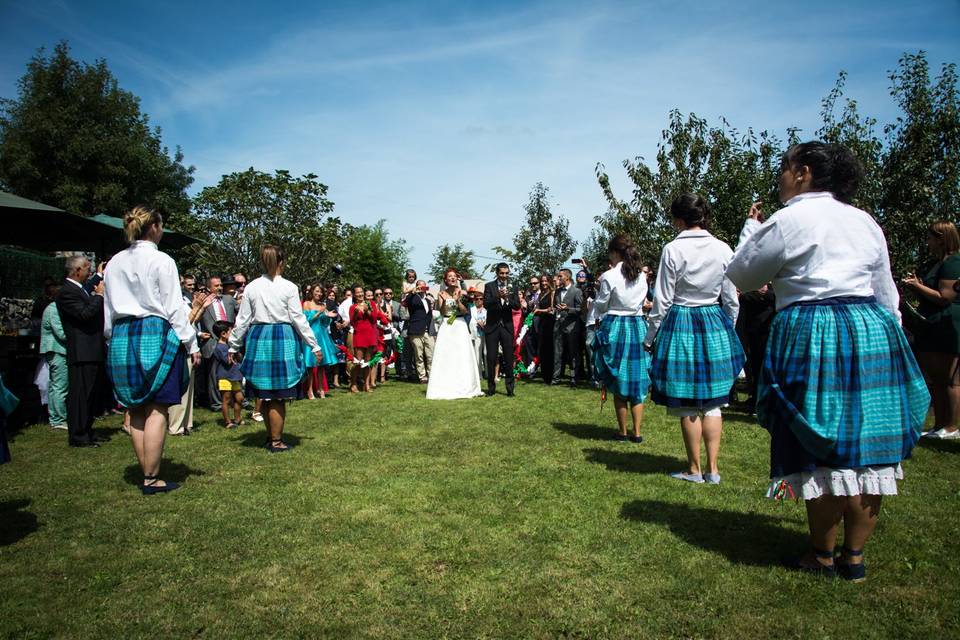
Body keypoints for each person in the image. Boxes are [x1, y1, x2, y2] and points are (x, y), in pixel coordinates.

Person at [726, 141, 929, 581]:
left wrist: (751, 228)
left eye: (784, 169)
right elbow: (886, 291)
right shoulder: (864, 221)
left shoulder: (790, 219)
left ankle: (820, 554)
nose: (780, 177)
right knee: (868, 446)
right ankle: (853, 557)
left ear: (803, 172)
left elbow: (743, 274)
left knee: (822, 441)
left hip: (814, 330)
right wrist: (890, 339)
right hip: (872, 327)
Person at [645, 194, 744, 485]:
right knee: (713, 402)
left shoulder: (673, 249)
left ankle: (694, 468)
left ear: (678, 219)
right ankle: (713, 470)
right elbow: (731, 299)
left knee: (689, 402)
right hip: (714, 321)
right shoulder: (723, 248)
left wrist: (650, 336)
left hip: (683, 321)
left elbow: (662, 299)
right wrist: (729, 329)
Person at [103, 206, 199, 494]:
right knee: (157, 406)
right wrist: (191, 344)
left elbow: (107, 310)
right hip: (154, 332)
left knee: (135, 408)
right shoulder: (162, 260)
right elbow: (173, 308)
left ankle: (147, 470)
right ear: (154, 227)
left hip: (121, 335)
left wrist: (110, 340)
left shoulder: (114, 263)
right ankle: (151, 477)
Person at [229, 245, 321, 452]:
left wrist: (233, 346)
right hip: (282, 338)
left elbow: (242, 320)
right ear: (281, 262)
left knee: (265, 393)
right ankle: (276, 440)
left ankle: (272, 437)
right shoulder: (289, 287)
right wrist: (314, 345)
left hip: (259, 338)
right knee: (278, 395)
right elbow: (298, 319)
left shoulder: (252, 287)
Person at [901, 221, 960, 440]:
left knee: (948, 379)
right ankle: (940, 425)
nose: (928, 243)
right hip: (933, 323)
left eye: (931, 238)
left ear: (941, 238)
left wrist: (917, 286)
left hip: (946, 324)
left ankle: (951, 426)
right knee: (937, 379)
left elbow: (945, 297)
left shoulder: (953, 263)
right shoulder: (939, 262)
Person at [593, 236, 650, 443]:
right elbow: (642, 301)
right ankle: (637, 432)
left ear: (614, 252)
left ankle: (623, 432)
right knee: (636, 379)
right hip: (637, 326)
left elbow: (601, 306)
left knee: (617, 379)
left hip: (616, 326)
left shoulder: (609, 275)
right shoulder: (641, 275)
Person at [56, 255, 107, 448]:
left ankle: (87, 430)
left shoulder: (79, 290)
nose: (89, 271)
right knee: (81, 395)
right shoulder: (66, 292)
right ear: (77, 270)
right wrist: (99, 296)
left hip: (92, 350)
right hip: (81, 351)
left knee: (92, 394)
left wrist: (100, 277)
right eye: (87, 268)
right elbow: (84, 314)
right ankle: (78, 434)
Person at [427, 269, 483, 400]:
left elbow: (465, 312)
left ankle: (465, 386)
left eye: (454, 276)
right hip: (447, 324)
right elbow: (441, 312)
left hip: (460, 324)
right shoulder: (441, 293)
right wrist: (443, 301)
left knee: (462, 354)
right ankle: (445, 386)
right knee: (446, 354)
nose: (452, 278)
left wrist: (457, 301)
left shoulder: (462, 292)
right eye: (449, 277)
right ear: (445, 280)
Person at [483, 263, 521, 396]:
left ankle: (510, 389)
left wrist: (507, 298)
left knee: (509, 358)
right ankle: (491, 389)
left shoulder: (513, 287)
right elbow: (486, 304)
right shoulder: (489, 286)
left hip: (507, 327)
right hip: (492, 326)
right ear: (497, 273)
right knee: (491, 358)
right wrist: (498, 296)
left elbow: (517, 306)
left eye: (506, 273)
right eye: (502, 273)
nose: (504, 276)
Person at [199, 275, 236, 411]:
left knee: (233, 371)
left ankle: (236, 400)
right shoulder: (203, 302)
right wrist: (199, 334)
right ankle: (216, 403)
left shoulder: (229, 300)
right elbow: (193, 319)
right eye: (216, 286)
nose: (220, 287)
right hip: (212, 342)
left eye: (220, 285)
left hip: (230, 342)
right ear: (209, 288)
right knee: (214, 375)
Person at [303, 284, 339, 398]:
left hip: (322, 336)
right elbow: (306, 321)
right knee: (311, 365)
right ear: (312, 291)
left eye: (320, 292)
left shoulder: (322, 305)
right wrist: (319, 313)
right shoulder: (307, 304)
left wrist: (327, 316)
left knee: (321, 365)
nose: (319, 294)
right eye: (317, 291)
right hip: (310, 336)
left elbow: (324, 323)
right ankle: (309, 390)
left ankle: (321, 389)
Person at [39, 285, 68, 430]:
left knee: (55, 386)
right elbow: (61, 333)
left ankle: (55, 417)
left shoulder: (54, 308)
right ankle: (58, 419)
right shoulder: (54, 310)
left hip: (57, 351)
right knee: (59, 386)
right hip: (57, 351)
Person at [553, 268, 585, 385]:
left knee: (573, 353)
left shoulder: (576, 291)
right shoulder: (557, 292)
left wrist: (568, 309)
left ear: (567, 277)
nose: (558, 278)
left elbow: (581, 309)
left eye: (560, 276)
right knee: (557, 353)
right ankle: (556, 378)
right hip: (558, 326)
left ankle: (574, 378)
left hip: (572, 327)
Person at [212, 320, 244, 428]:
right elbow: (228, 361)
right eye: (231, 332)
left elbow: (239, 358)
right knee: (226, 398)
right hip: (224, 377)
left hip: (234, 376)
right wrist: (233, 351)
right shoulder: (219, 348)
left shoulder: (229, 345)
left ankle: (237, 418)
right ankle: (227, 421)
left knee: (239, 398)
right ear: (223, 334)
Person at [404, 280, 434, 383]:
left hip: (428, 331)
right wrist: (412, 292)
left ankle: (431, 375)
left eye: (423, 286)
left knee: (430, 354)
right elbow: (406, 303)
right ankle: (422, 377)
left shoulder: (428, 300)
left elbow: (429, 315)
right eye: (419, 286)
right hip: (416, 331)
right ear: (416, 287)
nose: (422, 288)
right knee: (419, 355)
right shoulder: (412, 298)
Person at [535, 274, 556, 384]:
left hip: (550, 323)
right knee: (542, 349)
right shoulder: (541, 294)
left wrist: (539, 311)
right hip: (541, 323)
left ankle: (550, 375)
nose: (543, 283)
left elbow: (551, 309)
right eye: (542, 281)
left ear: (549, 282)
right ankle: (544, 375)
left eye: (545, 281)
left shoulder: (552, 293)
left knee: (549, 350)